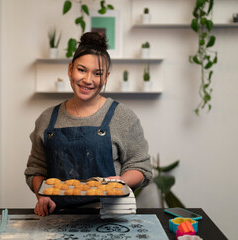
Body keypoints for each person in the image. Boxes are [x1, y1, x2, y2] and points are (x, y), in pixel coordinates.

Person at [24, 32, 152, 216]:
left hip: (110, 216)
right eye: (81, 70)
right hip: (58, 217)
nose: (88, 80)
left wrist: (120, 181)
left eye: (97, 73)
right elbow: (36, 169)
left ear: (106, 77)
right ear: (70, 69)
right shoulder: (47, 118)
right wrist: (41, 196)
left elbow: (141, 167)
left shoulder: (122, 116)